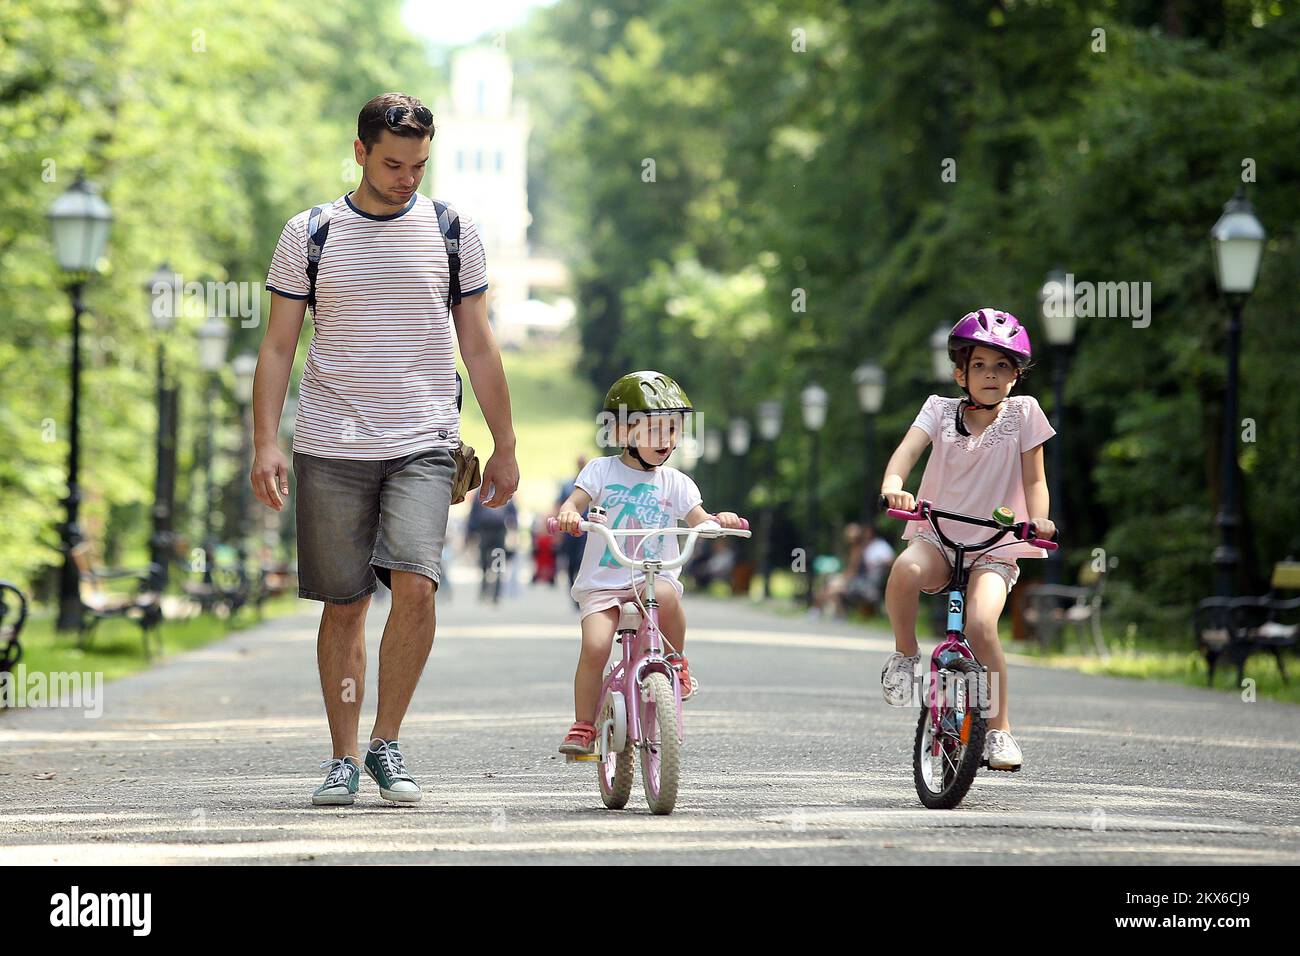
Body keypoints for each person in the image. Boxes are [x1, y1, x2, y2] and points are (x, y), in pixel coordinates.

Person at [249, 92, 519, 806]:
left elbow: (480, 345)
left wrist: (507, 445)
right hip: (332, 441)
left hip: (424, 438)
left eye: (419, 165)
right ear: (361, 150)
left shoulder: (454, 231)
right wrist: (264, 442)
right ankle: (342, 756)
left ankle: (386, 743)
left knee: (418, 583)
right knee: (343, 606)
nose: (407, 177)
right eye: (394, 163)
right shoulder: (310, 233)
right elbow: (278, 347)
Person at [878, 308, 1056, 772]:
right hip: (938, 536)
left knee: (980, 623)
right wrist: (895, 484)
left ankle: (999, 731)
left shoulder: (1024, 414)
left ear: (1015, 375)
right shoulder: (937, 410)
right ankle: (905, 656)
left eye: (1002, 366)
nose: (991, 375)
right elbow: (905, 454)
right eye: (980, 365)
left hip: (996, 545)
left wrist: (1040, 520)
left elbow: (1035, 480)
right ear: (961, 372)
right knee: (905, 570)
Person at [553, 371, 744, 755]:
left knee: (665, 595)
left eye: (673, 430)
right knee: (595, 645)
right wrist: (570, 515)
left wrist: (717, 522)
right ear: (624, 433)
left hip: (650, 578)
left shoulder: (676, 482)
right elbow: (572, 504)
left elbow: (698, 519)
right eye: (655, 430)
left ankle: (675, 658)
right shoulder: (600, 471)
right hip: (604, 582)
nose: (666, 440)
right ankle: (583, 725)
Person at [467, 495, 518, 603]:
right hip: (484, 529)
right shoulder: (481, 491)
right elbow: (474, 513)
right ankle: (484, 590)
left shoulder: (505, 488)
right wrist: (470, 533)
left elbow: (513, 512)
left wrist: (513, 529)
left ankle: (496, 594)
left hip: (500, 530)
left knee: (499, 562)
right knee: (484, 563)